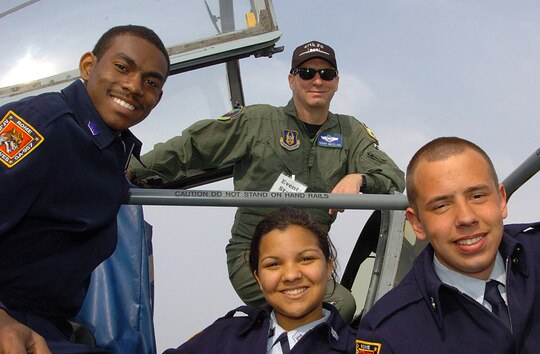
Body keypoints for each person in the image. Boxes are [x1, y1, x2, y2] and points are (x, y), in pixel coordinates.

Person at [128, 40, 405, 322]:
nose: (317, 81)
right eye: (307, 73)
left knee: (339, 312)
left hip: (309, 259)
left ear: (336, 82)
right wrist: (129, 170)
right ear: (291, 80)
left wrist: (359, 178)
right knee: (336, 308)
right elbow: (192, 147)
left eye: (326, 74)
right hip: (254, 255)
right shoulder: (257, 121)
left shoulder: (350, 132)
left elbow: (393, 177)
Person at [0, 25, 189, 354]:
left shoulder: (110, 151)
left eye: (150, 82)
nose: (135, 86)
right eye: (122, 67)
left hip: (50, 333)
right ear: (88, 65)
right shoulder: (39, 126)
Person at [353, 137, 540, 354]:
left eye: (477, 196)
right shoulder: (387, 330)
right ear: (417, 223)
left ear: (501, 200)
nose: (466, 218)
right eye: (442, 205)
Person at [141, 207, 357, 354]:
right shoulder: (220, 337)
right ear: (258, 277)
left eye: (306, 259)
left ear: (328, 266)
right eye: (273, 264)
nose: (291, 275)